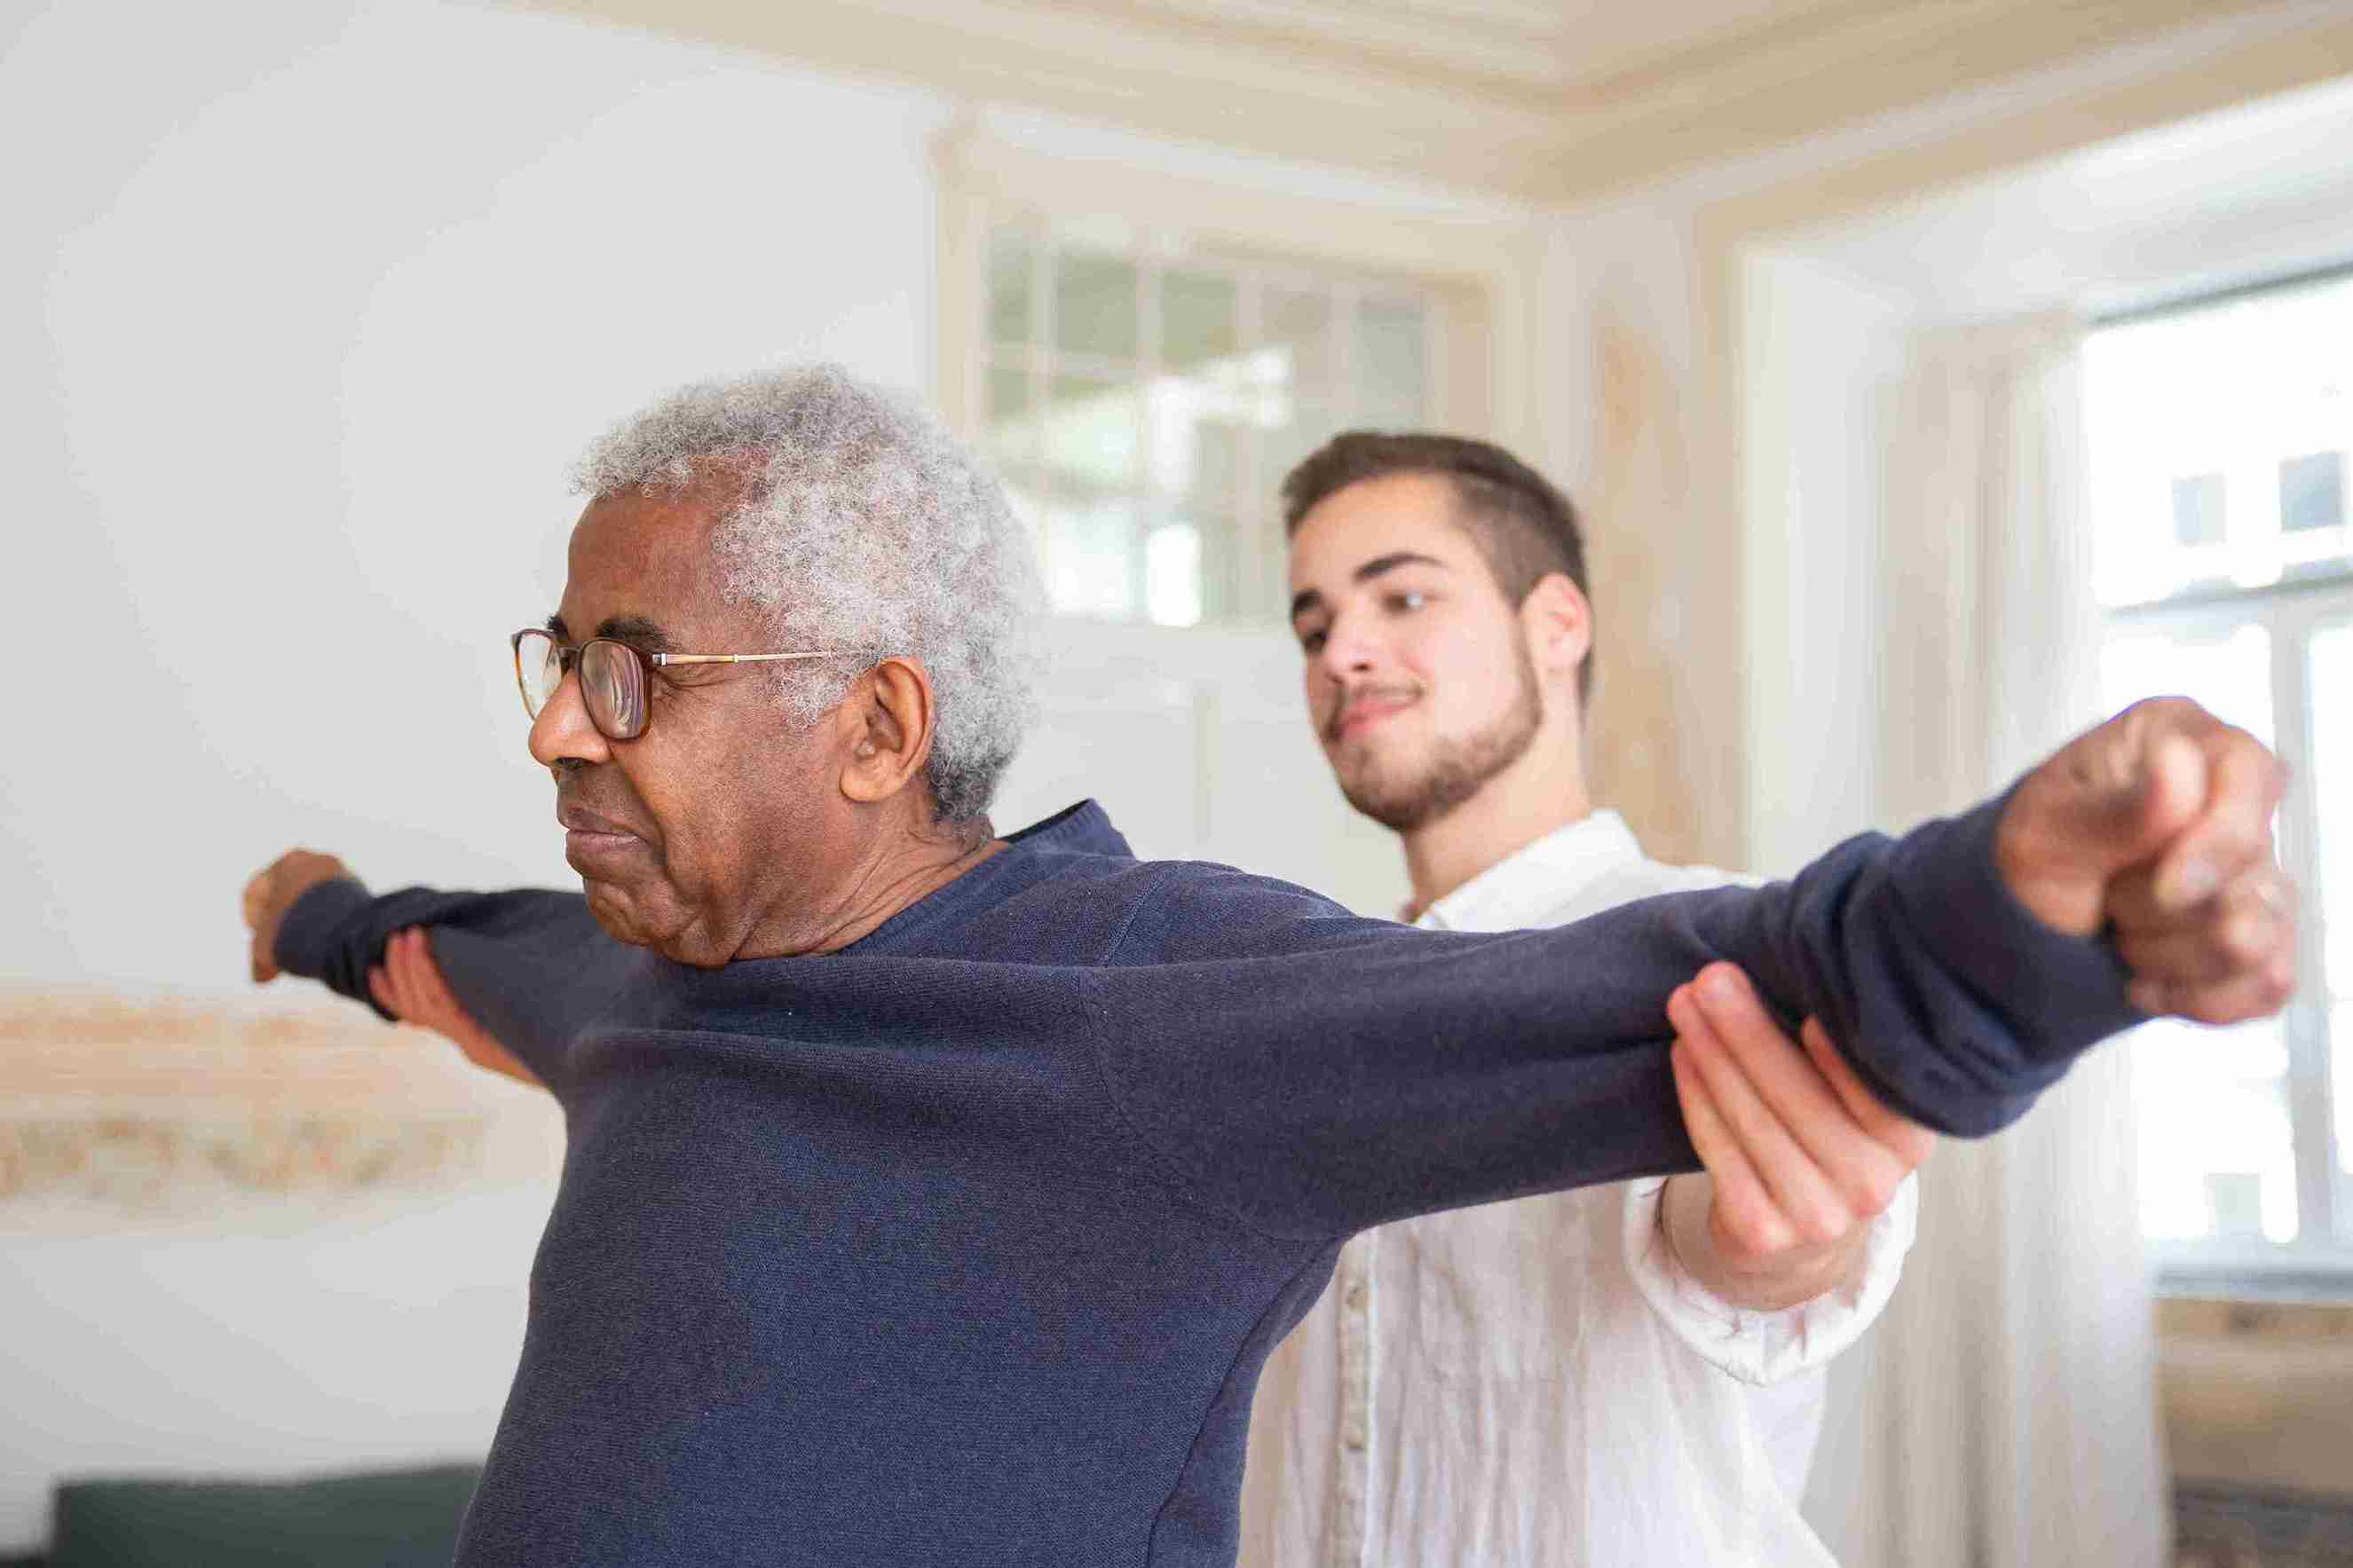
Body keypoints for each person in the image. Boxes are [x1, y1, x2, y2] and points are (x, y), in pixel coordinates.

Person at [241, 366, 2294, 1567]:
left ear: (873, 729)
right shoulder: (630, 991)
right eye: (1311, 613)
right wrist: (321, 918)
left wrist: (2044, 909)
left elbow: (1727, 973)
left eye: (627, 673)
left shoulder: (1157, 1001)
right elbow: (466, 954)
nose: (555, 731)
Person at [1244, 434, 1932, 1565]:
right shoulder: (1301, 1004)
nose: (1342, 654)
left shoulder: (1721, 953)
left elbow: (1755, 1254)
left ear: (1555, 623)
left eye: (1402, 597)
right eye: (1313, 628)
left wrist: (1779, 1240)